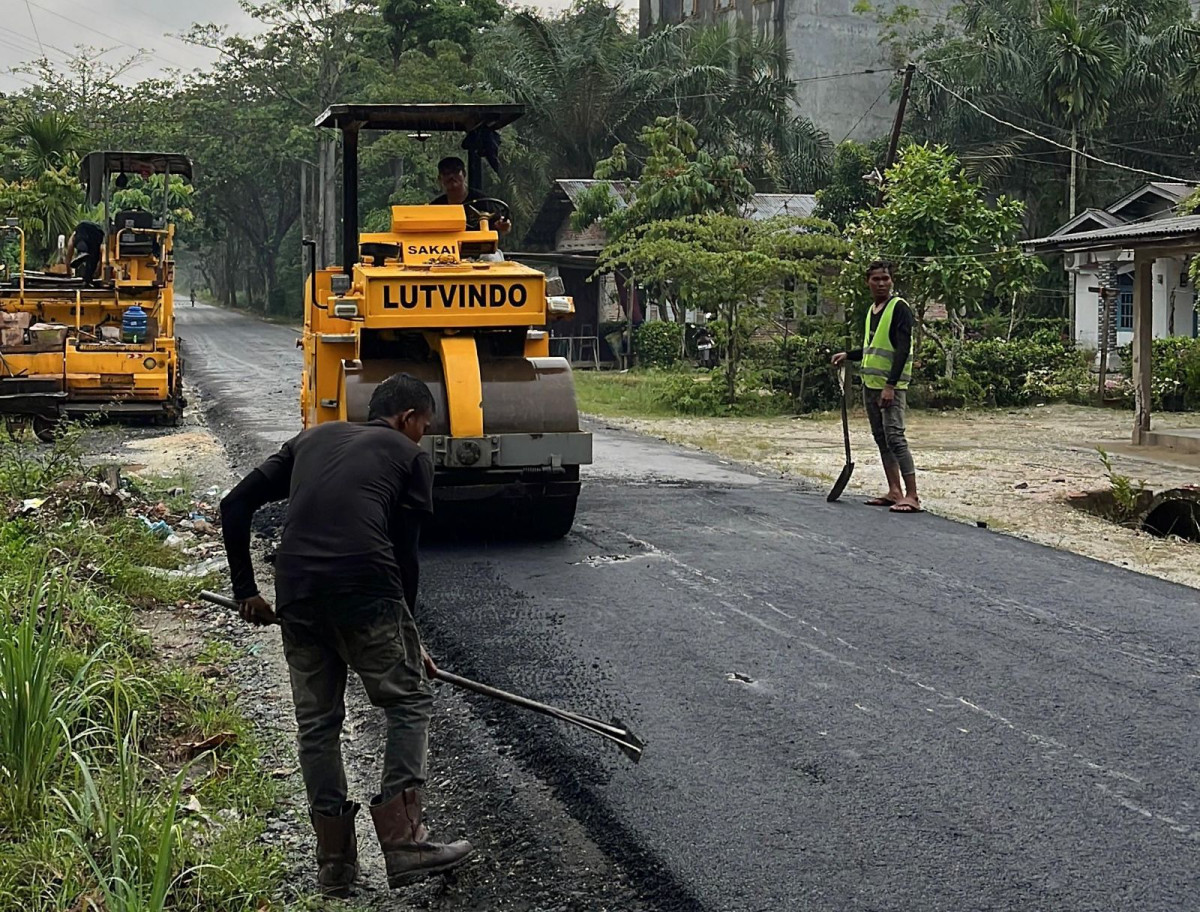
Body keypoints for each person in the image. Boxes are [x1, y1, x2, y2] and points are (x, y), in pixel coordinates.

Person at [219, 373, 473, 897]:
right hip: (366, 589)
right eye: (425, 425)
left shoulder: (310, 439)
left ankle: (334, 863)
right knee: (408, 702)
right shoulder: (409, 456)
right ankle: (406, 844)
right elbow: (404, 557)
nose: (424, 435)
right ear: (407, 418)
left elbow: (234, 505)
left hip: (297, 592)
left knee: (317, 725)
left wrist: (247, 590)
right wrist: (409, 636)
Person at [832, 260, 920, 514]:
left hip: (891, 386)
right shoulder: (872, 311)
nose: (881, 283)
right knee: (881, 438)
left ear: (892, 281)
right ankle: (894, 491)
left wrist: (890, 385)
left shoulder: (899, 308)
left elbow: (902, 349)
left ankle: (912, 495)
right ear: (867, 282)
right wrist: (849, 355)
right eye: (876, 279)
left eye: (885, 279)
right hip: (870, 384)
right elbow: (873, 348)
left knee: (895, 437)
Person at [430, 156, 511, 235]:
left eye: (456, 171)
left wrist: (504, 225)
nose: (451, 176)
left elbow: (502, 226)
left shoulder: (484, 201)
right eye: (446, 173)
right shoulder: (435, 207)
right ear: (439, 179)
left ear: (464, 174)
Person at [64, 220, 105, 285]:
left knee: (81, 239)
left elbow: (69, 255)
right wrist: (98, 271)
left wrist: (68, 273)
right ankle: (87, 279)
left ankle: (82, 251)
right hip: (98, 232)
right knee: (93, 258)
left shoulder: (74, 235)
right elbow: (100, 255)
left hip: (84, 227)